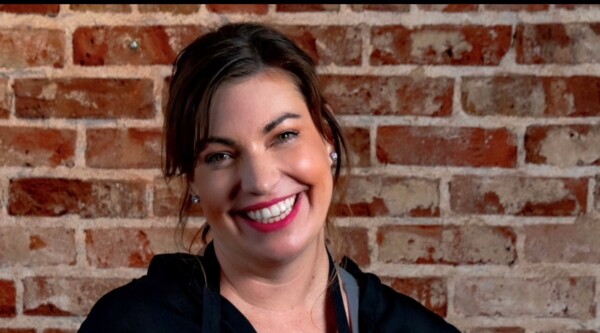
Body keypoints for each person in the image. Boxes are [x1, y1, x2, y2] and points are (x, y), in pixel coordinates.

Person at [78, 22, 462, 333]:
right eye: (221, 155)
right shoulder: (130, 325)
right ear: (193, 180)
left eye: (284, 136)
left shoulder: (411, 328)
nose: (260, 181)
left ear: (326, 136)